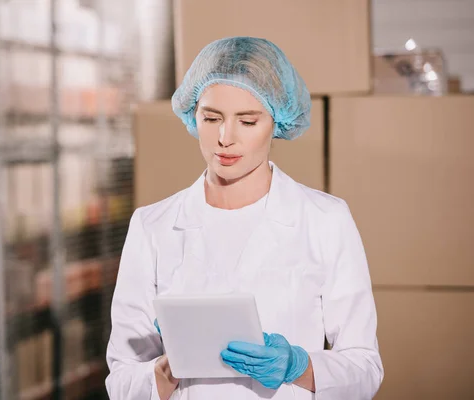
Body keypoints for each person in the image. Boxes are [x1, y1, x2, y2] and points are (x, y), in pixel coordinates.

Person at [105, 37, 383, 399]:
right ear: (193, 115)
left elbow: (365, 368)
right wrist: (168, 369)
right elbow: (122, 379)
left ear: (276, 122)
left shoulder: (325, 220)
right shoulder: (151, 227)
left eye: (248, 121)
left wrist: (299, 367)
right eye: (211, 118)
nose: (225, 138)